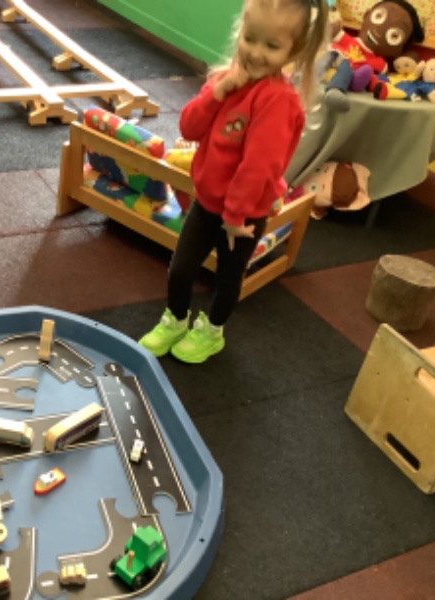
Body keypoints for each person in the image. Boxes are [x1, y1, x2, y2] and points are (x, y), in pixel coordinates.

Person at [139, 0, 329, 363]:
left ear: (294, 51)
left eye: (272, 45)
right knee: (180, 269)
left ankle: (212, 332)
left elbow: (259, 167)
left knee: (227, 279)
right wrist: (218, 91)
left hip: (242, 217)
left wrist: (234, 216)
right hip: (207, 202)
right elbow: (189, 128)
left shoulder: (278, 101)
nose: (256, 52)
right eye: (250, 37)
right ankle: (176, 320)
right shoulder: (228, 80)